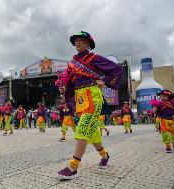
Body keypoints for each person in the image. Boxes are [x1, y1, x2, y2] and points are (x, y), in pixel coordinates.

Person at [56, 31, 122, 180]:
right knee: (92, 132)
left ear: (88, 43)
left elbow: (117, 69)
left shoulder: (95, 58)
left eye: (81, 40)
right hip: (80, 98)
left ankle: (73, 167)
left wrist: (104, 79)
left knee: (83, 128)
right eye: (76, 41)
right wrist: (65, 87)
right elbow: (71, 84)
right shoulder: (72, 63)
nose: (77, 43)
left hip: (93, 95)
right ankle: (105, 155)